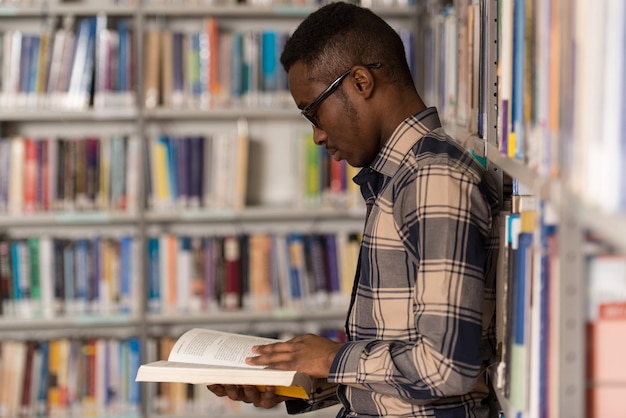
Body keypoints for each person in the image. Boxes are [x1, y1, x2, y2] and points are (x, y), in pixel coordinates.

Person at [208, 2, 500, 417]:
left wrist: (331, 358)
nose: (317, 135)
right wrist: (295, 379)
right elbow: (404, 361)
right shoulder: (401, 178)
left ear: (360, 81)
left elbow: (447, 366)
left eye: (313, 110)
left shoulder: (433, 179)